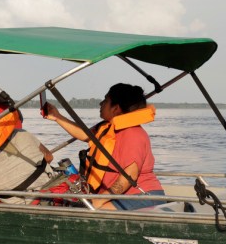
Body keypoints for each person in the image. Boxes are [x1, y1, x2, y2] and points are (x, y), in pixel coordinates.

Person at [40, 82, 164, 210]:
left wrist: (99, 200)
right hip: (121, 197)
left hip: (141, 197)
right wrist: (57, 116)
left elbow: (130, 175)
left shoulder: (132, 133)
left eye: (105, 100)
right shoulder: (107, 127)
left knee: (87, 213)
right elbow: (85, 135)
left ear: (116, 108)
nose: (101, 104)